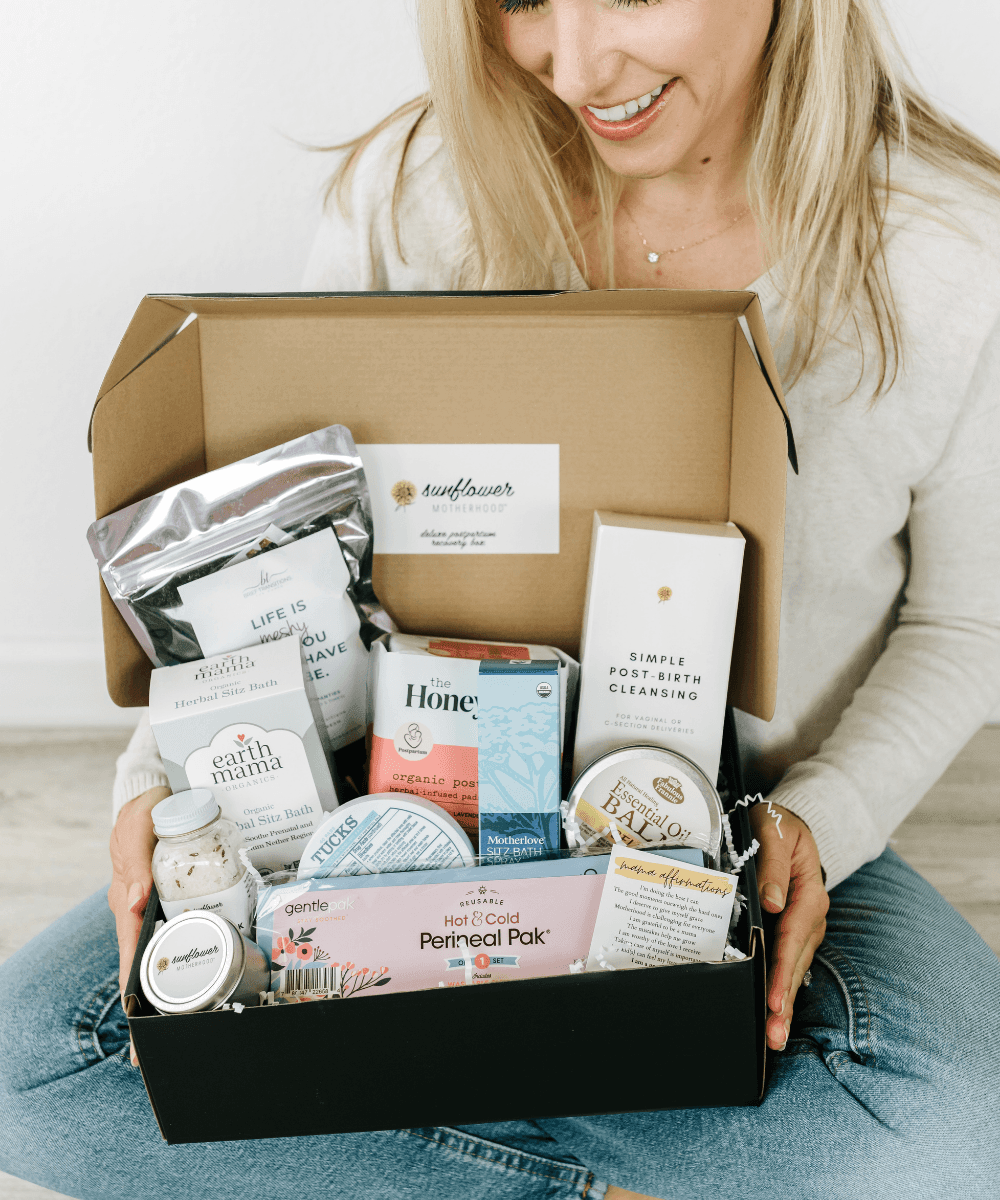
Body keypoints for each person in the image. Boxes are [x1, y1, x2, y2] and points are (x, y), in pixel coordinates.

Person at [1, 1, 999, 1197]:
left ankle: (430, 1110)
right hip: (380, 814)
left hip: (740, 833)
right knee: (30, 1075)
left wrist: (818, 828)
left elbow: (965, 625)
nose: (572, 66)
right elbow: (263, 554)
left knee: (947, 1143)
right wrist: (154, 790)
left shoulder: (953, 251)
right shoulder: (418, 190)